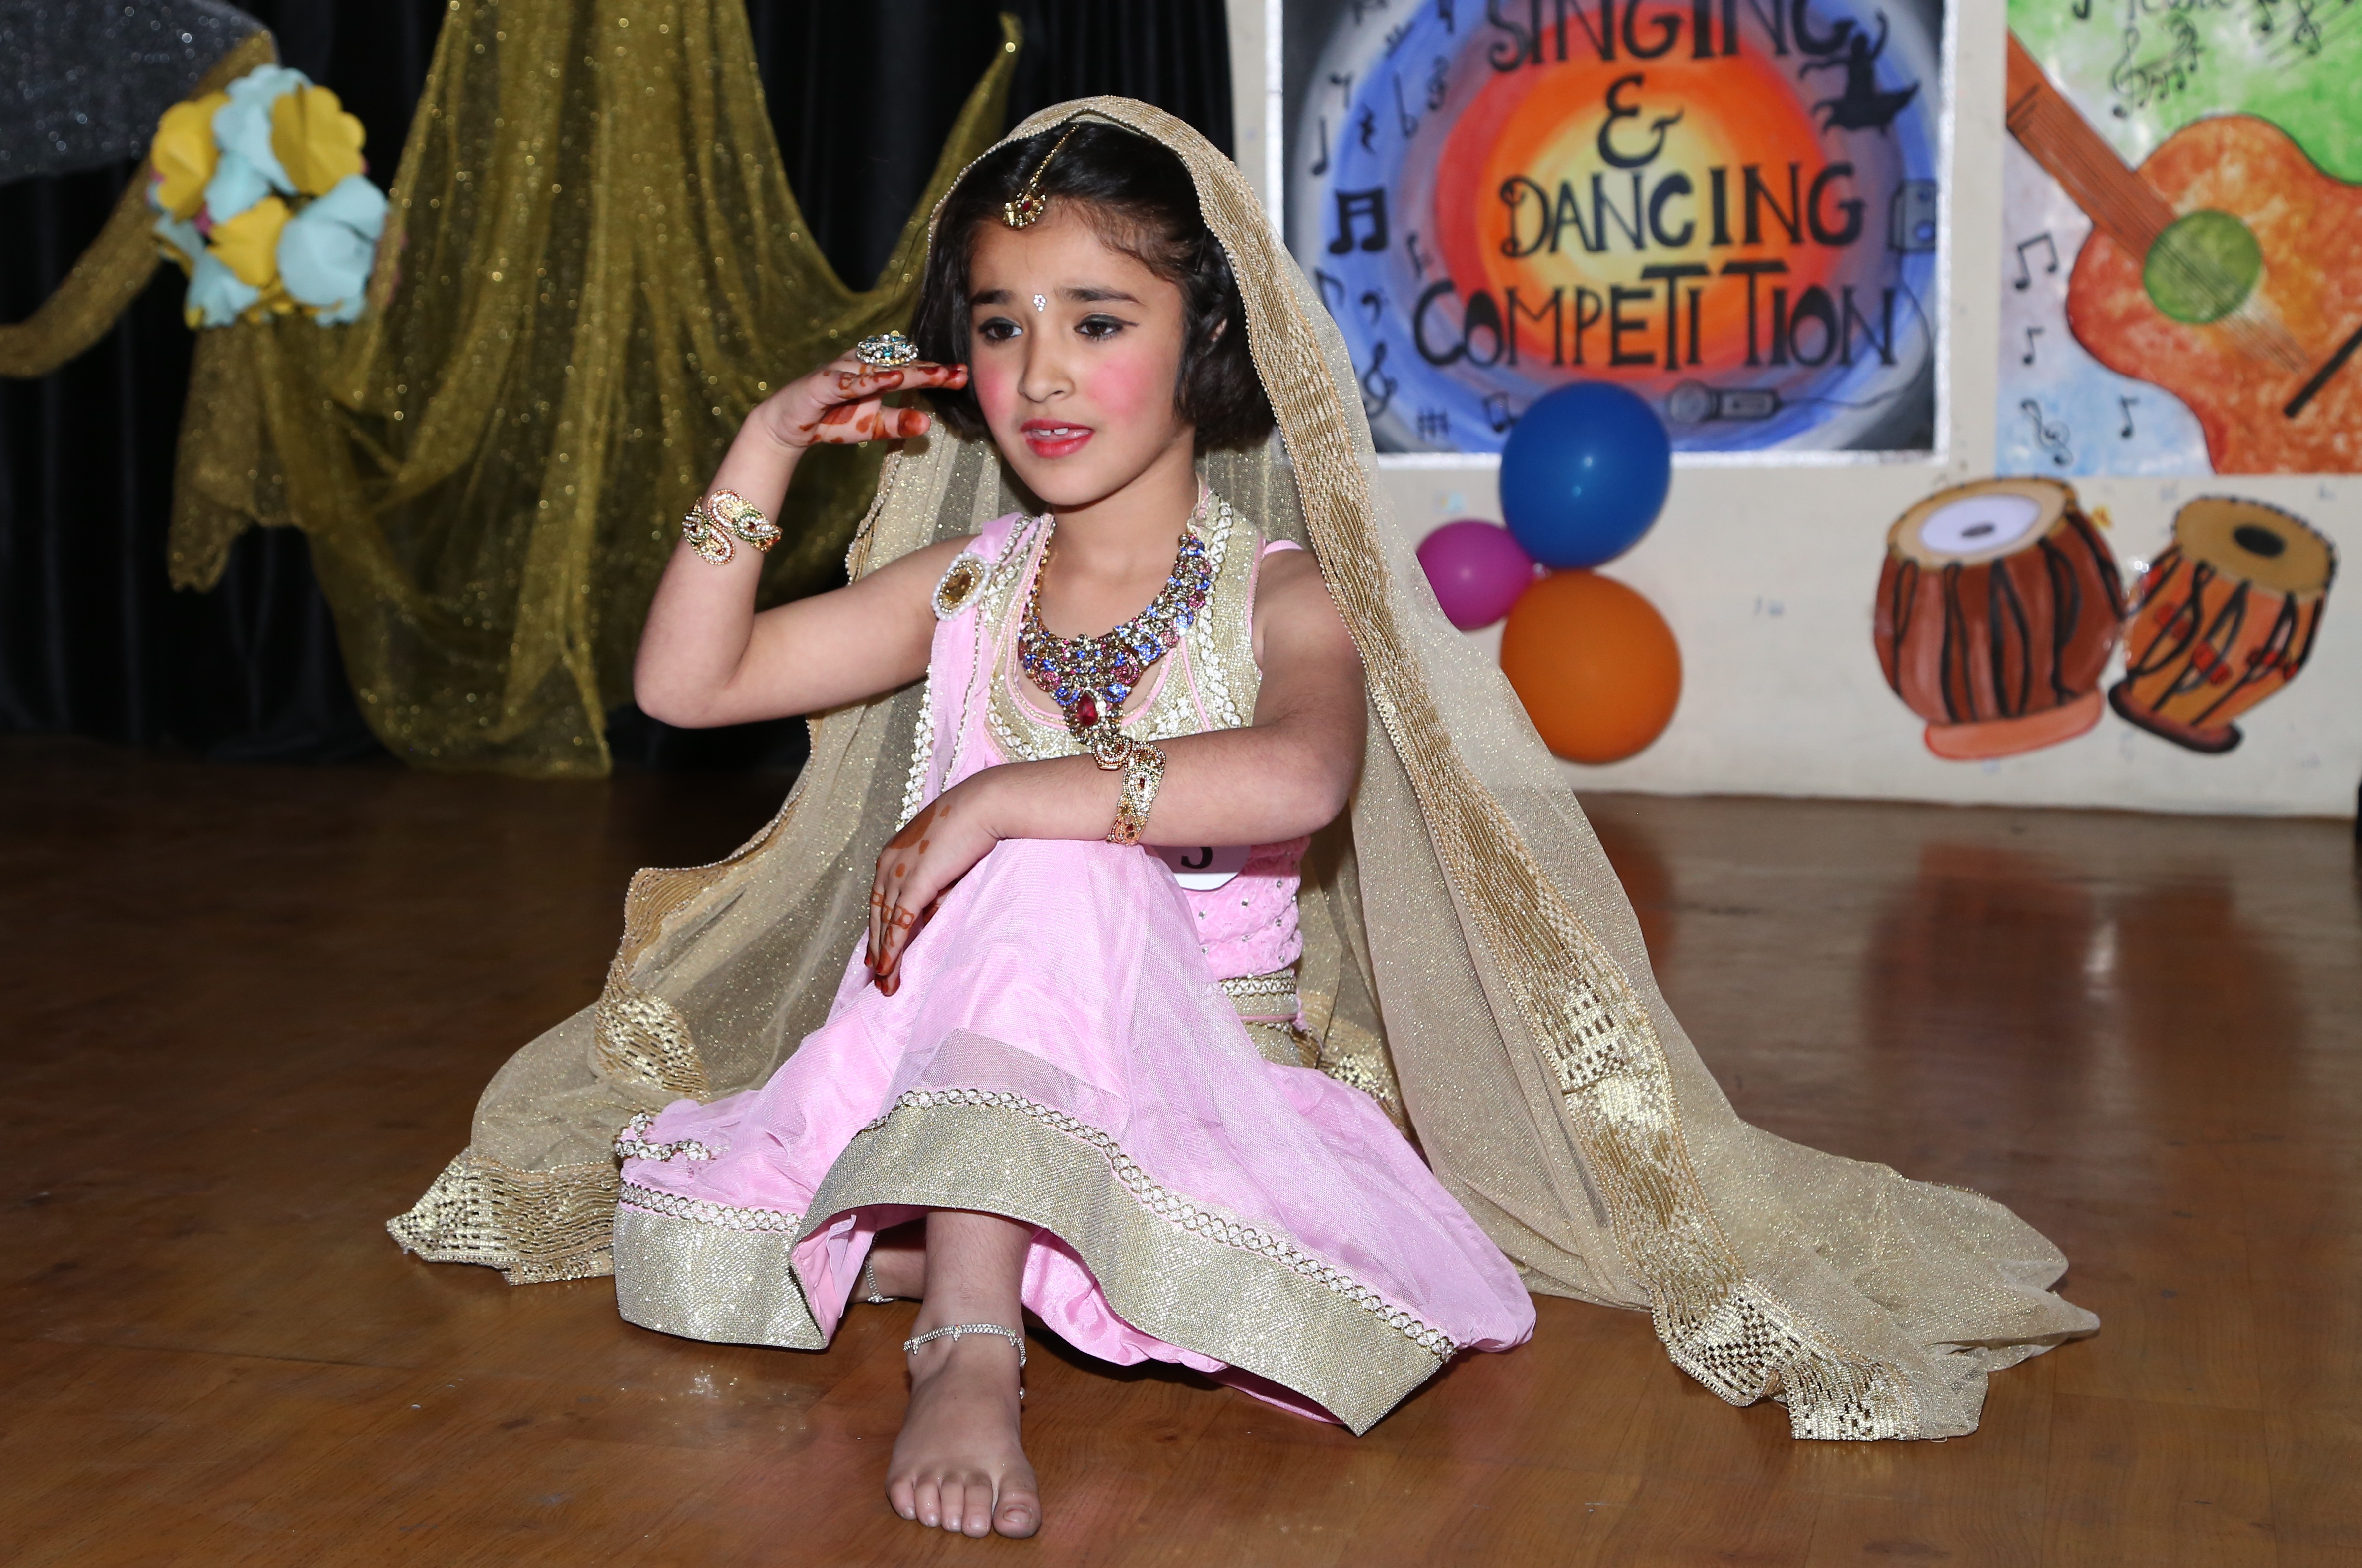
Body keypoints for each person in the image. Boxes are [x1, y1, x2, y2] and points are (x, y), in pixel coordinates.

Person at [392, 99, 2095, 1544]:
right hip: (945, 1051)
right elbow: (690, 684)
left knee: (1052, 862)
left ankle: (957, 1291)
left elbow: (1298, 780)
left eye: (1096, 319)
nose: (1040, 373)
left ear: (1205, 336)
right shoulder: (970, 584)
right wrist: (765, 450)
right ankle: (968, 1299)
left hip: (1203, 1083)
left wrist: (1012, 793)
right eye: (1000, 324)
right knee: (1013, 897)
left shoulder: (1277, 596)